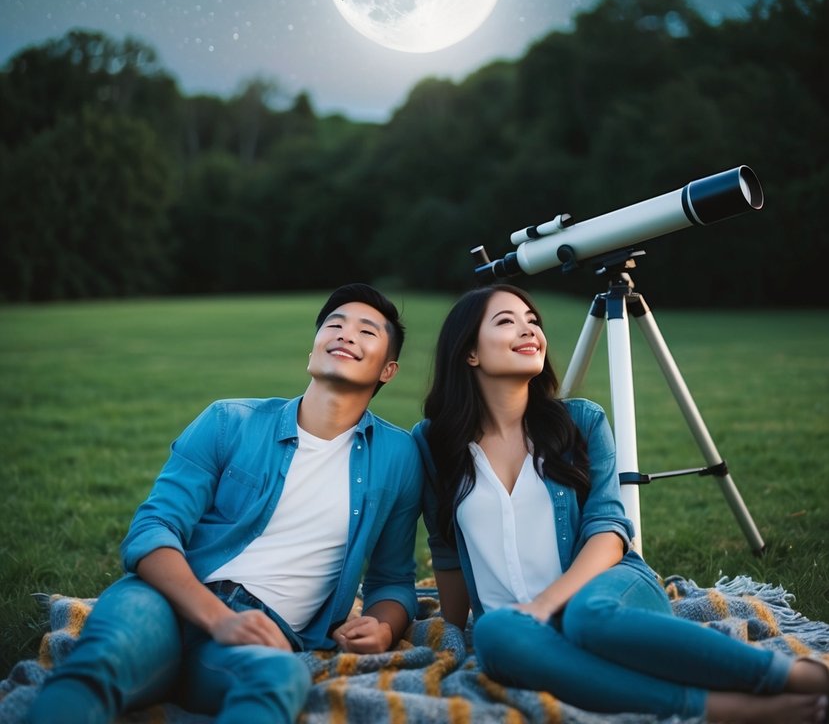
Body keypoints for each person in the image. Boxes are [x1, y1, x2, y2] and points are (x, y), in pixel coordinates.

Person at [413, 284, 829, 724]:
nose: (529, 329)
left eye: (533, 320)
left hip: (608, 590)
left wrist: (545, 605)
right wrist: (453, 633)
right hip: (516, 625)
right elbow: (446, 548)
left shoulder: (581, 422)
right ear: (469, 353)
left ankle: (794, 676)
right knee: (494, 634)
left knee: (587, 618)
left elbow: (609, 531)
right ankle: (718, 709)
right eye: (506, 321)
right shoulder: (435, 442)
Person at [30, 283, 423, 724]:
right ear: (311, 353)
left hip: (258, 637)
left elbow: (393, 579)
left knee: (278, 680)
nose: (345, 333)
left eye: (366, 331)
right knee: (98, 668)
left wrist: (385, 627)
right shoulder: (227, 421)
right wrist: (218, 618)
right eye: (334, 324)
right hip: (163, 600)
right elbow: (153, 529)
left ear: (388, 370)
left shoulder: (399, 457)